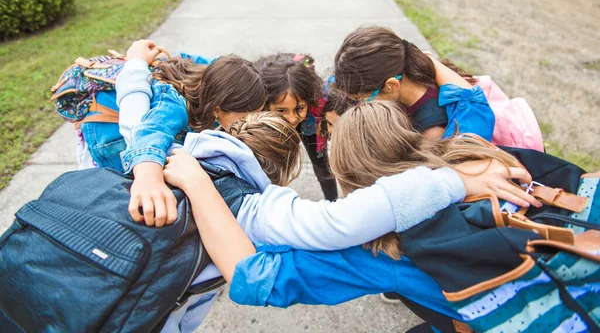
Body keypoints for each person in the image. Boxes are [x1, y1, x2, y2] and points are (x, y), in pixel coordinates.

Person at [158, 101, 537, 329]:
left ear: (353, 181)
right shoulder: (480, 161)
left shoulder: (378, 247)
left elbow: (252, 281)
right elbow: (471, 100)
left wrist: (198, 184)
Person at [110, 40, 267, 226]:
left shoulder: (217, 77)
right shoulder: (174, 105)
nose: (251, 122)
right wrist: (148, 178)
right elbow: (149, 133)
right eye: (245, 117)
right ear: (217, 108)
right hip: (108, 139)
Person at [334, 26, 494, 140]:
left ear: (391, 85)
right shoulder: (421, 72)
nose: (360, 106)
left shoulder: (432, 132)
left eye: (362, 99)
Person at [253, 53, 337, 200]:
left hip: (309, 127)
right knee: (272, 169)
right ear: (266, 104)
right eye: (281, 110)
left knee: (322, 168)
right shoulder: (258, 114)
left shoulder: (319, 106)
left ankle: (332, 201)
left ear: (310, 100)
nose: (292, 119)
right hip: (275, 127)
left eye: (299, 108)